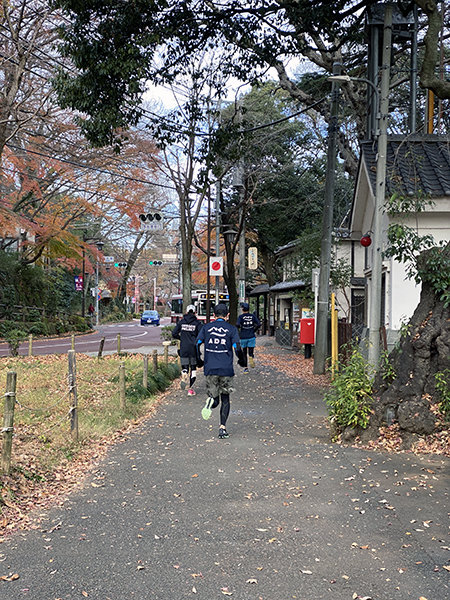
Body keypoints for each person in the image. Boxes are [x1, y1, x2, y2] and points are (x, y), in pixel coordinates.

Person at [196, 303, 244, 439]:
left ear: (213, 315)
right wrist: (241, 360)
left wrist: (199, 360)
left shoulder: (206, 328)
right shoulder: (231, 329)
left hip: (210, 367)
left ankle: (211, 401)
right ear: (227, 315)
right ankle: (222, 428)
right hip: (226, 369)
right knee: (226, 399)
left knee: (215, 398)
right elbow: (237, 346)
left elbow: (197, 343)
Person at [172, 304, 203, 396]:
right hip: (193, 349)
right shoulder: (197, 323)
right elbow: (201, 336)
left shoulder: (181, 322)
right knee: (193, 369)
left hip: (184, 348)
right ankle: (191, 390)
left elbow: (174, 333)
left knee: (185, 366)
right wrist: (197, 342)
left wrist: (181, 338)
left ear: (186, 312)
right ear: (195, 313)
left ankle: (184, 372)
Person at [236, 302, 261, 373]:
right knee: (251, 350)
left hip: (243, 336)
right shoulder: (252, 316)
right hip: (251, 336)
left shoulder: (241, 317)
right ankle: (251, 356)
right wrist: (253, 330)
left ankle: (246, 368)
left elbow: (237, 324)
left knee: (244, 352)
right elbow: (259, 324)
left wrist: (240, 329)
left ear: (243, 309)